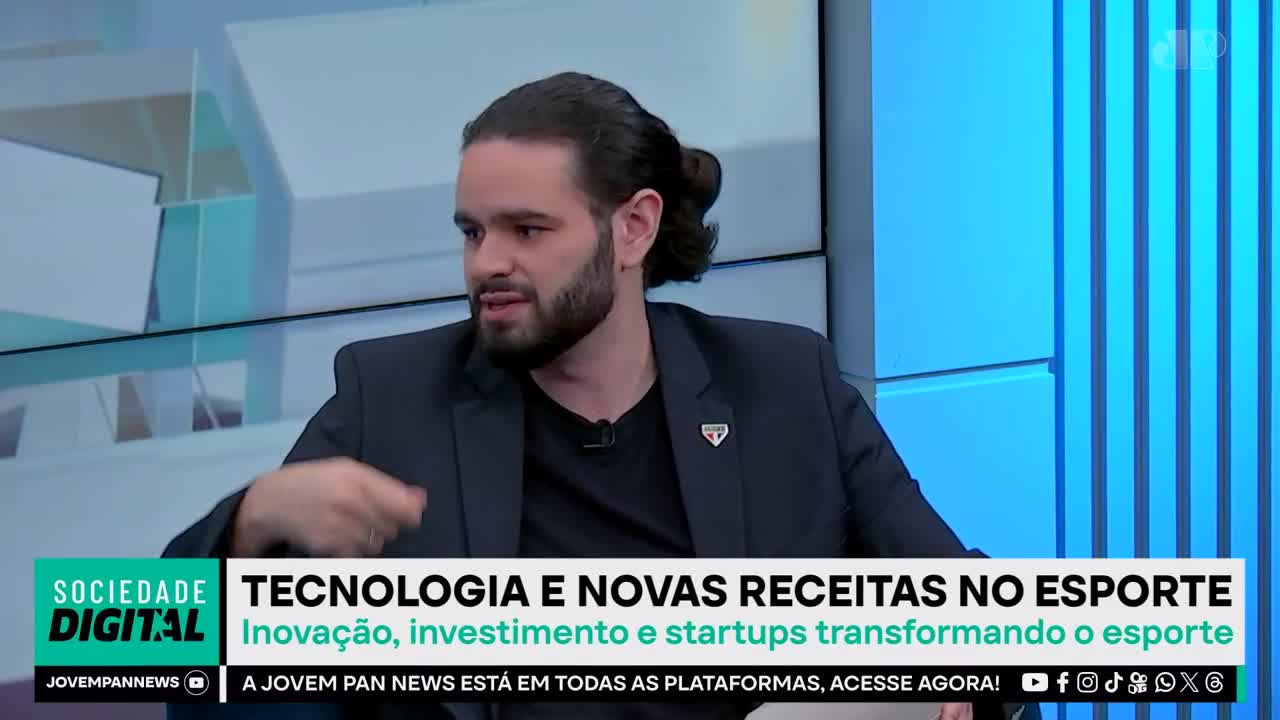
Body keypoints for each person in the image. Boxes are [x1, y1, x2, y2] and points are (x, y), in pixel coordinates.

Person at [164, 72, 1038, 720]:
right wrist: (253, 523)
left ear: (633, 227)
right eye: (472, 232)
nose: (486, 263)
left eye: (526, 229)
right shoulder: (390, 398)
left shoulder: (782, 385)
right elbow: (152, 635)